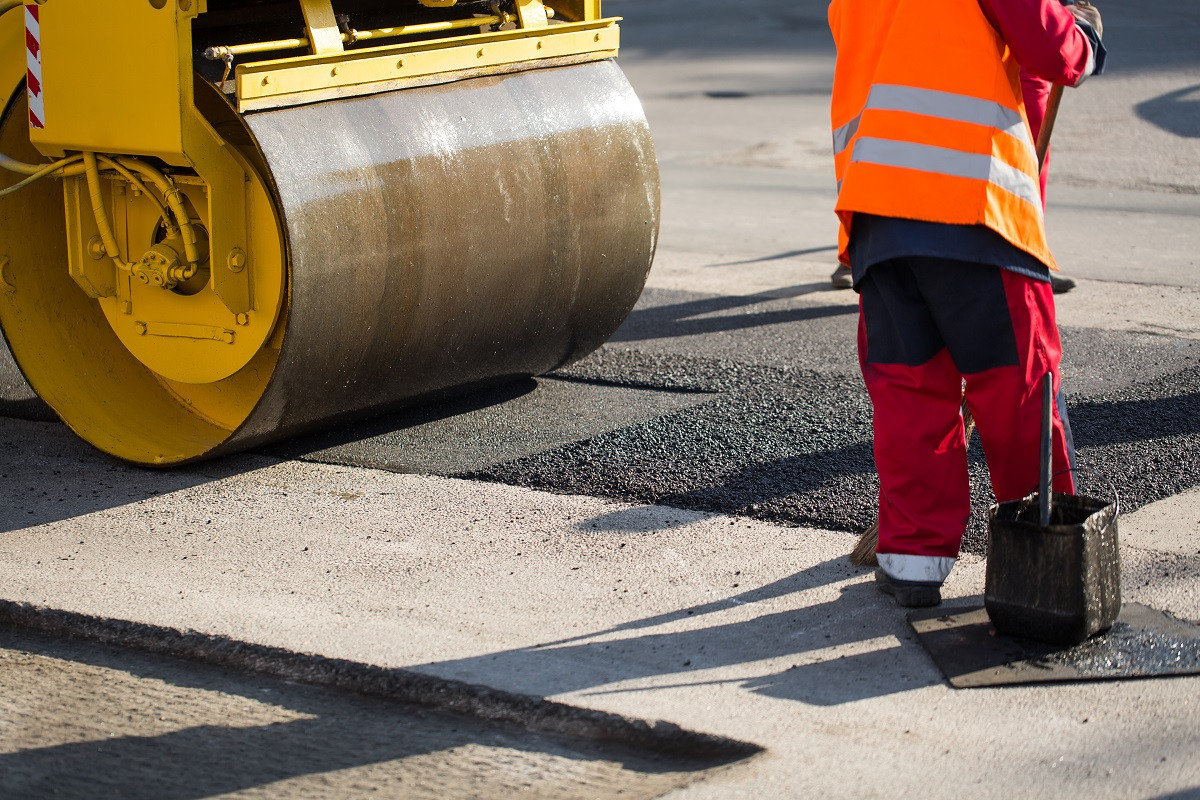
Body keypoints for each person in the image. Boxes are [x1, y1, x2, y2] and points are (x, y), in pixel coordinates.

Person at [827, 0, 1105, 606]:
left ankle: (911, 564)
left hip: (877, 215)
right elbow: (1047, 47)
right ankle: (1043, 553)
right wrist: (1081, 37)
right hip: (973, 209)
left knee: (910, 396)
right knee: (1017, 388)